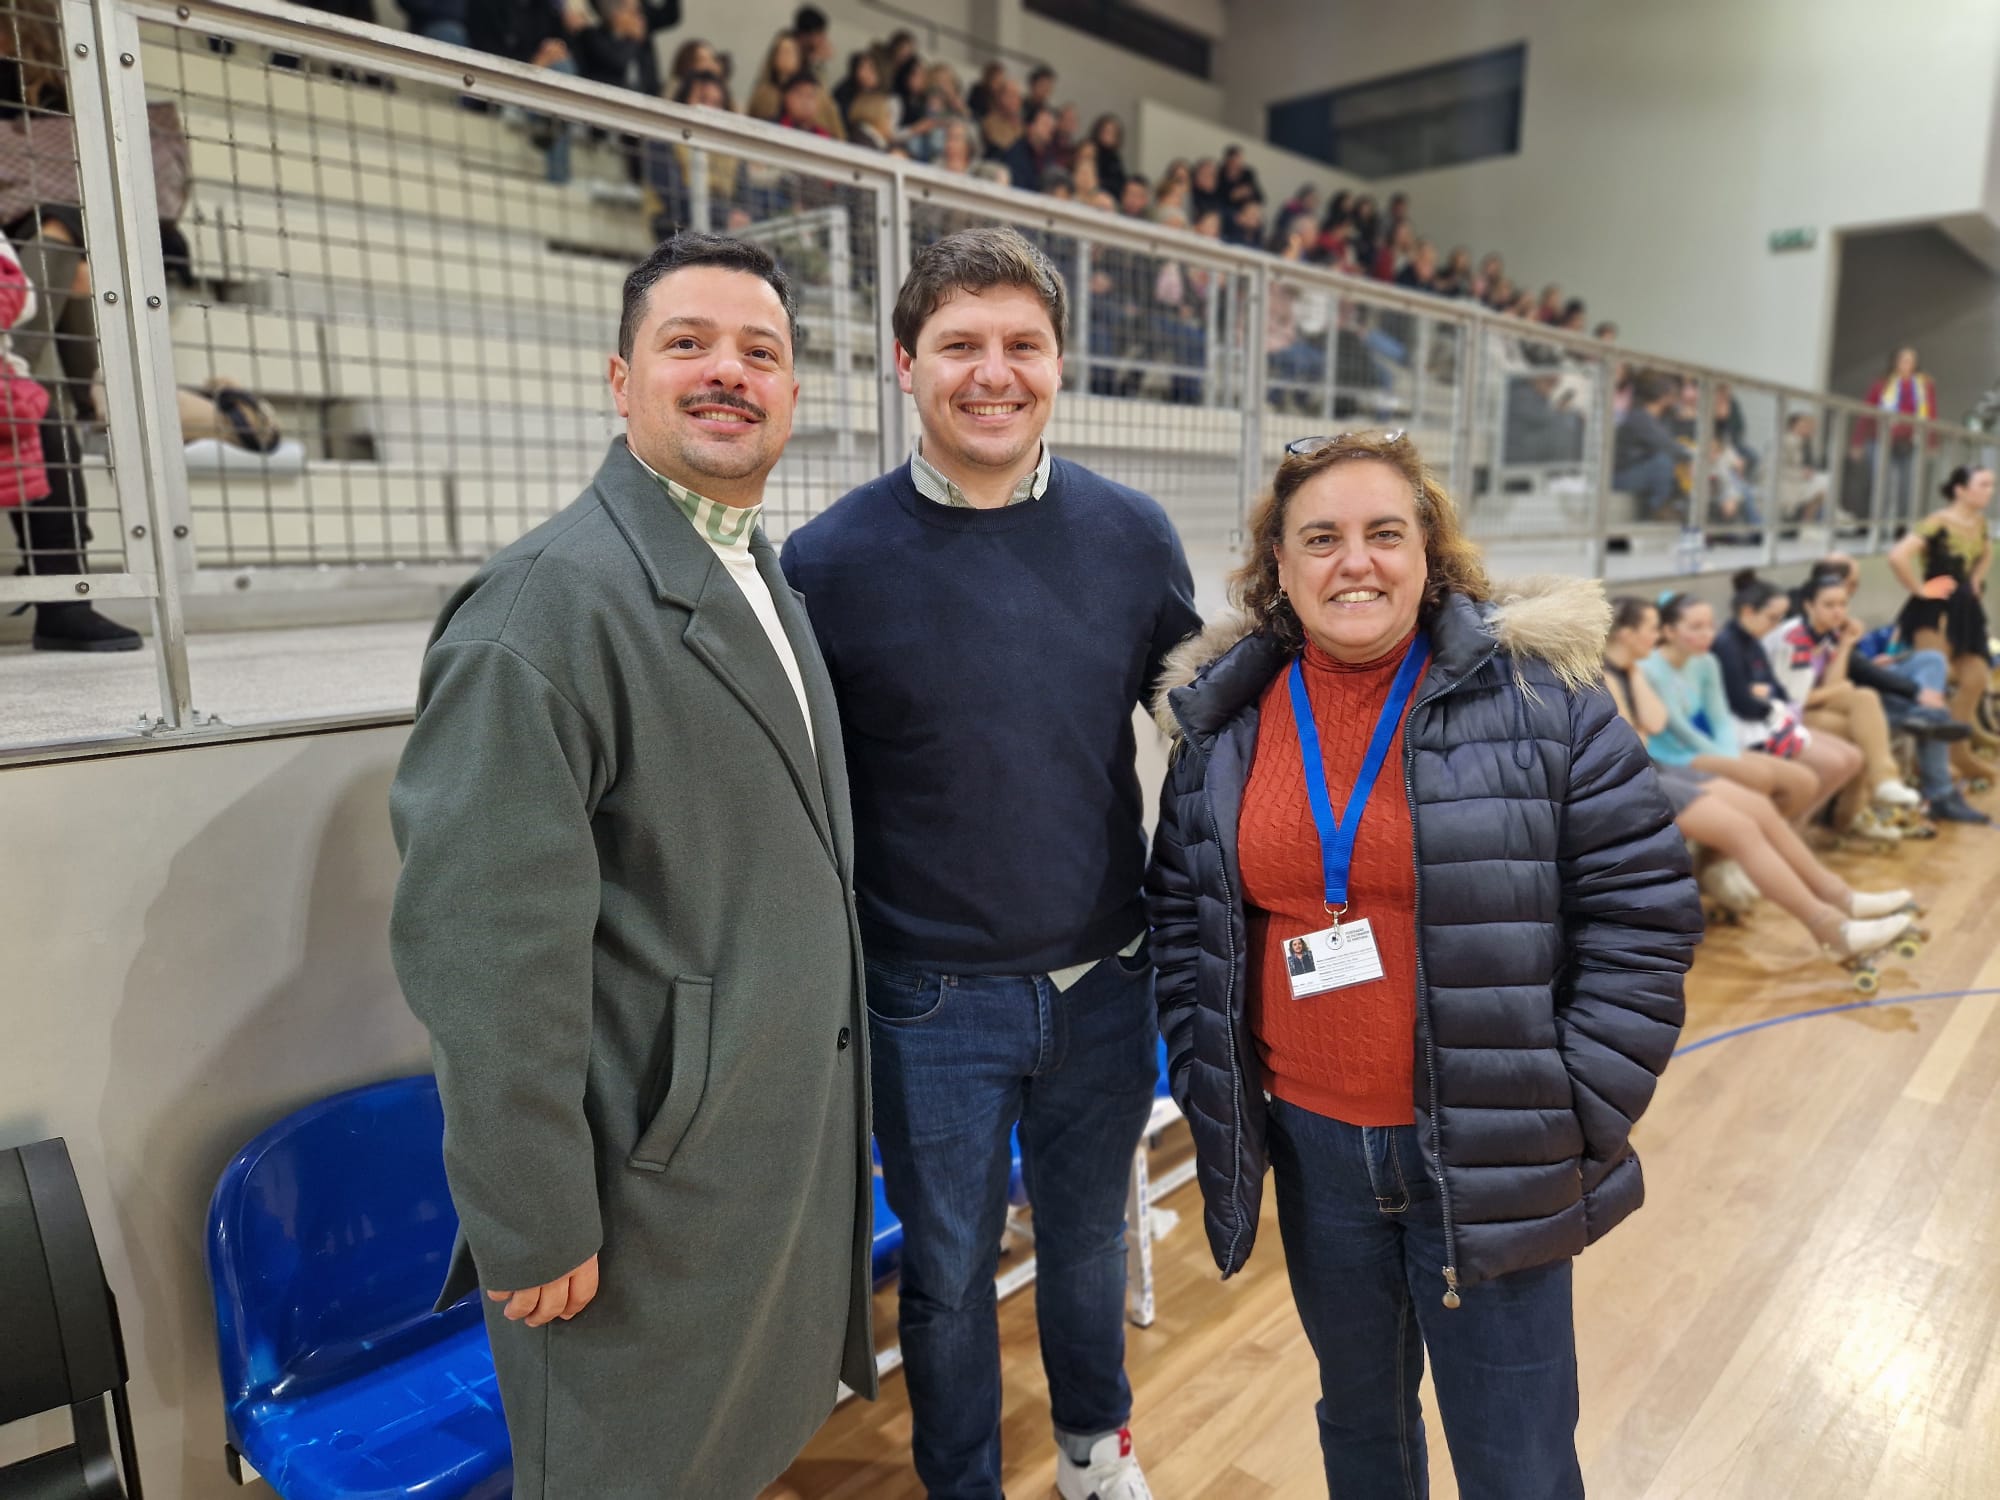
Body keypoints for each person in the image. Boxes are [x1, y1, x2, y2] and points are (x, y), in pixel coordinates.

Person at [389, 234, 875, 1498]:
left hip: (745, 1154)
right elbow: (482, 953)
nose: (727, 372)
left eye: (758, 352)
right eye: (687, 344)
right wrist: (531, 1214)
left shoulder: (756, 568)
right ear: (620, 380)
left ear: (792, 392)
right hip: (639, 1190)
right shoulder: (542, 608)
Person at [1146, 429, 1701, 1498]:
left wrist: (1569, 1105)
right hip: (1313, 1147)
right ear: (1279, 567)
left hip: (1489, 1146)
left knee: (1516, 1460)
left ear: (1428, 554)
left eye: (1383, 533)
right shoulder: (1223, 721)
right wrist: (1206, 1073)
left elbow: (1642, 917)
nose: (1353, 561)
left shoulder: (1543, 703)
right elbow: (1181, 912)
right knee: (1361, 1432)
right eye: (1320, 538)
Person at [782, 226, 1201, 1500]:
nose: (992, 372)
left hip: (1103, 982)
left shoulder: (1132, 536)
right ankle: (958, 1482)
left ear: (1058, 364)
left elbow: (1198, 729)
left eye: (1022, 344)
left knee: (1085, 1245)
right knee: (949, 1278)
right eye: (959, 344)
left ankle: (1091, 1450)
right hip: (927, 1004)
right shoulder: (825, 563)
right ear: (904, 362)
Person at [1604, 597, 1917, 961]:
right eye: (1651, 629)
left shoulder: (1631, 670)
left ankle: (1841, 897)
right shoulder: (1603, 676)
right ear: (1626, 635)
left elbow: (1654, 723)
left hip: (1654, 768)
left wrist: (1634, 672)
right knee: (1742, 827)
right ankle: (1830, 927)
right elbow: (1635, 739)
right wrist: (1633, 686)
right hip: (1629, 781)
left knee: (1759, 807)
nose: (1657, 636)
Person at [1767, 566, 1980, 825]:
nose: (1838, 611)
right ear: (1809, 606)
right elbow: (1799, 700)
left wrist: (1846, 644)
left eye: (1843, 605)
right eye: (1829, 605)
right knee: (1865, 732)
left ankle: (1878, 789)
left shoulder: (1829, 634)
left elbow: (1834, 683)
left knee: (1866, 704)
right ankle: (1860, 806)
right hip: (1779, 717)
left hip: (1811, 707)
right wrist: (1841, 689)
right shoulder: (1795, 637)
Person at [1640, 594, 1831, 824]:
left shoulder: (1706, 662)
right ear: (1669, 631)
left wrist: (1728, 751)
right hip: (1669, 754)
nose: (1708, 634)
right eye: (1696, 627)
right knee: (1758, 777)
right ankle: (1739, 839)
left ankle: (1760, 838)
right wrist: (1725, 757)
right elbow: (1678, 727)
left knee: (1804, 782)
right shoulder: (1649, 668)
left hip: (1707, 745)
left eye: (1710, 626)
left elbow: (1719, 716)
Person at [1710, 571, 1862, 816]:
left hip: (1774, 717)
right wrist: (1769, 702)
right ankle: (1785, 826)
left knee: (1853, 756)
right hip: (1752, 728)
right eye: (1773, 618)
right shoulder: (1730, 644)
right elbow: (1743, 701)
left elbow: (1775, 689)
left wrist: (1767, 698)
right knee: (1832, 764)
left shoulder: (1753, 640)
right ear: (1748, 612)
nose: (1777, 625)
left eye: (1780, 618)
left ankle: (1794, 825)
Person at [1889, 465, 1995, 765]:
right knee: (1935, 676)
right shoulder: (1937, 522)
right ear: (1960, 490)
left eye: (1992, 485)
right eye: (1983, 484)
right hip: (1934, 609)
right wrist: (1920, 589)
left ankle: (1958, 747)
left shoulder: (1980, 523)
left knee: (1976, 677)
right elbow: (1898, 556)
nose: (1990, 491)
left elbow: (1986, 553)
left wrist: (1976, 579)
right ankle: (1930, 760)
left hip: (1967, 610)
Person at [1856, 346, 1937, 516]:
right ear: (1895, 362)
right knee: (1882, 486)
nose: (1907, 364)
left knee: (1908, 488)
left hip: (1911, 441)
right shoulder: (1882, 383)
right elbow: (1867, 412)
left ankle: (1902, 525)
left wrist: (1931, 442)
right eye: (1904, 360)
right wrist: (1858, 441)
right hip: (1882, 439)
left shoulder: (1924, 385)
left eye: (1911, 360)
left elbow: (1930, 414)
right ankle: (1877, 523)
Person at [1612, 370, 1686, 522]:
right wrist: (1694, 454)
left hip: (1638, 471)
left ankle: (1676, 508)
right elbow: (1670, 447)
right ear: (1663, 394)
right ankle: (1656, 511)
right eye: (1673, 390)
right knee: (1662, 463)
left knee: (1668, 463)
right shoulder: (1639, 417)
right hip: (1620, 475)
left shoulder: (1661, 418)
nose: (1677, 395)